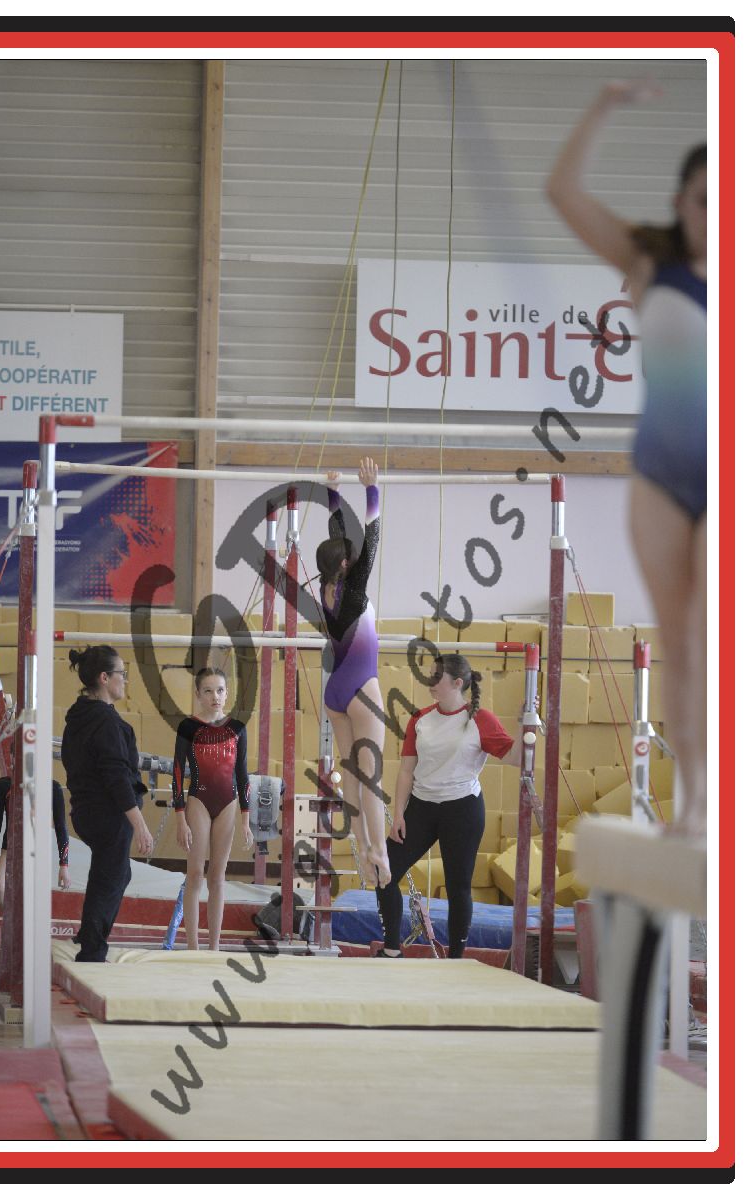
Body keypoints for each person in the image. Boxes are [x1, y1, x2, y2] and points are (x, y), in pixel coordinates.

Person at [546, 80, 707, 837]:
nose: (714, 215)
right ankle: (697, 801)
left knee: (714, 630)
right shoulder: (650, 263)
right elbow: (564, 193)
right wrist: (602, 105)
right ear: (680, 203)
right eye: (702, 201)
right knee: (680, 639)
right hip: (663, 476)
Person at [375, 654, 523, 958]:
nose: (429, 682)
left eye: (436, 677)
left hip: (462, 809)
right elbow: (406, 771)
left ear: (457, 683)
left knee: (458, 886)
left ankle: (456, 958)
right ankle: (391, 950)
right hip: (422, 807)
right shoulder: (420, 719)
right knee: (384, 871)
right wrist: (399, 814)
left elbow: (515, 757)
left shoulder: (480, 720)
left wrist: (525, 724)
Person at [316, 457, 391, 887]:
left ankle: (362, 846)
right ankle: (378, 850)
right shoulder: (356, 587)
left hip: (336, 693)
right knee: (371, 778)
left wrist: (333, 493)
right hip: (362, 687)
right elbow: (372, 537)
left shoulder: (326, 587)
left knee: (351, 778)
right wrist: (372, 489)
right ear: (347, 563)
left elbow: (338, 540)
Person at [61, 645, 154, 962]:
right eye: (121, 674)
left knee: (117, 874)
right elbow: (116, 777)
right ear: (104, 678)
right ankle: (92, 950)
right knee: (110, 878)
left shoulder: (79, 716)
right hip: (108, 813)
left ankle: (89, 934)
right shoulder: (106, 722)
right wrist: (139, 824)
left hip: (85, 810)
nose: (125, 680)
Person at [173, 668, 254, 951]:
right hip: (198, 801)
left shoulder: (237, 729)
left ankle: (214, 947)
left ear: (227, 693)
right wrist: (180, 818)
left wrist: (246, 818)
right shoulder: (188, 727)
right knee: (195, 873)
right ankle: (193, 946)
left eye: (219, 690)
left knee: (218, 877)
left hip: (228, 803)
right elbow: (177, 771)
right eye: (208, 691)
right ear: (198, 694)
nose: (214, 696)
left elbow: (242, 774)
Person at [0, 775, 70, 908]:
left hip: (36, 848)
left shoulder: (53, 788)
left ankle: (23, 917)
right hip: (10, 847)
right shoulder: (4, 785)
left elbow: (61, 828)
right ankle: (18, 919)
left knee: (27, 892)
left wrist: (64, 865)